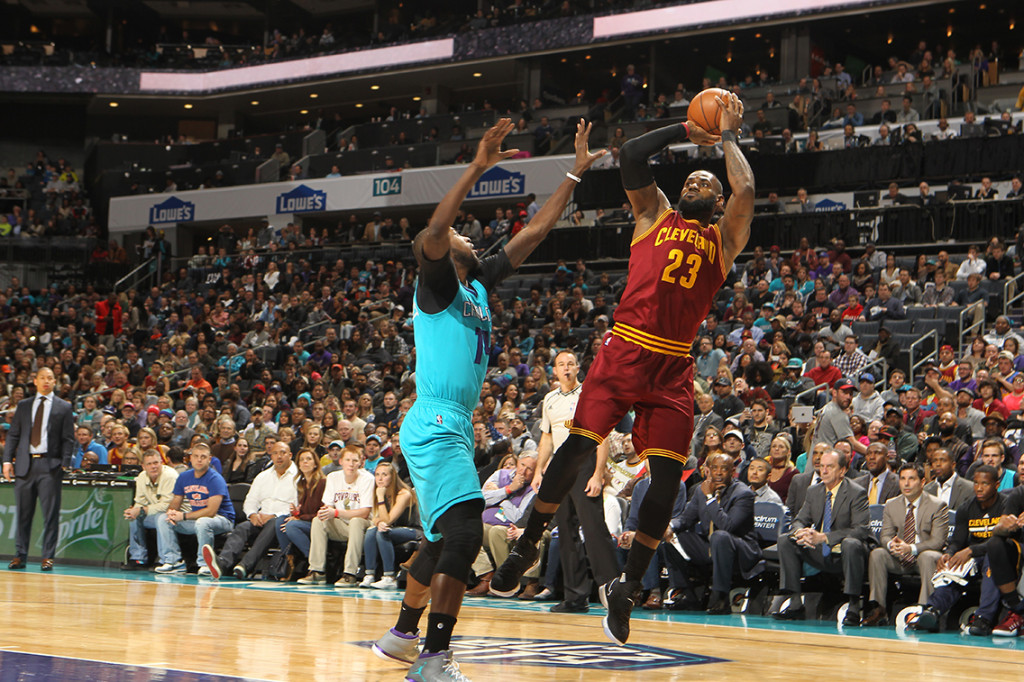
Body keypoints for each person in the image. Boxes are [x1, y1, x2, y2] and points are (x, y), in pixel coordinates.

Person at [490, 94, 751, 647]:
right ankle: (529, 541)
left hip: (673, 366)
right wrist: (687, 128)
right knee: (576, 449)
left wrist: (727, 137)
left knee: (666, 479)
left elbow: (746, 190)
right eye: (690, 180)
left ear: (718, 200)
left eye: (706, 183)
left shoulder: (725, 239)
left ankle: (629, 587)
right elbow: (631, 154)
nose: (695, 184)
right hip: (625, 349)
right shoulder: (654, 214)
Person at [371, 118, 607, 680]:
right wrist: (477, 166)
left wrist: (575, 173)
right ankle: (434, 658)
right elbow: (434, 230)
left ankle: (402, 637)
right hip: (434, 419)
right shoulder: (437, 285)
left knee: (440, 539)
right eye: (459, 235)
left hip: (451, 423)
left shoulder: (477, 283)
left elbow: (535, 233)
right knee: (465, 532)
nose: (466, 235)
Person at [504, 350, 618, 612]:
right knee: (564, 530)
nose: (566, 368)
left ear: (578, 368)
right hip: (559, 465)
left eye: (570, 364)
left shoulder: (589, 394)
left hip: (585, 462)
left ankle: (613, 591)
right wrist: (540, 471)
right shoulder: (550, 399)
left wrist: (598, 474)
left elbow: (602, 436)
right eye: (561, 365)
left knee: (594, 528)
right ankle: (575, 596)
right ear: (554, 371)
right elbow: (546, 438)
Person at [773, 449, 871, 625]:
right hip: (820, 551)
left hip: (845, 553)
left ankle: (854, 607)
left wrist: (824, 537)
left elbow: (861, 530)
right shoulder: (814, 491)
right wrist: (800, 532)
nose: (823, 471)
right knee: (786, 540)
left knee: (851, 543)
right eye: (822, 466)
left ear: (842, 470)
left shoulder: (856, 492)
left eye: (830, 467)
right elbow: (799, 520)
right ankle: (795, 604)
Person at [668, 453, 761, 614]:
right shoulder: (701, 491)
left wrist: (710, 498)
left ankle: (721, 597)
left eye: (723, 469)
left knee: (720, 536)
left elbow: (727, 526)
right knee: (671, 538)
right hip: (710, 545)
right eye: (715, 468)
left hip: (740, 549)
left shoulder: (743, 494)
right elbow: (685, 519)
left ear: (732, 471)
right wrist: (669, 527)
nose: (718, 473)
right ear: (708, 470)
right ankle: (687, 594)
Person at [3, 367, 75, 571]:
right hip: (25, 465)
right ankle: (20, 555)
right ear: (35, 381)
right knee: (23, 514)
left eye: (50, 378)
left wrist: (64, 463)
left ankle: (47, 556)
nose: (46, 381)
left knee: (50, 514)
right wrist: (7, 461)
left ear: (55, 382)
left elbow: (68, 439)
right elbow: (13, 435)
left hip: (49, 465)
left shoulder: (64, 407)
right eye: (42, 378)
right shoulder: (24, 405)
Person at [862, 462, 949, 626]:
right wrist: (891, 545)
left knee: (927, 556)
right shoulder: (891, 504)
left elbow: (938, 541)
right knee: (878, 554)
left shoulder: (937, 505)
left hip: (924, 557)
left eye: (911, 479)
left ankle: (925, 611)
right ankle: (878, 609)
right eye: (902, 479)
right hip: (900, 557)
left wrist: (911, 548)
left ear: (922, 482)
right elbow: (885, 535)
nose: (906, 484)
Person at [203, 441, 297, 579]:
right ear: (271, 456)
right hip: (260, 520)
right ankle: (222, 563)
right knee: (242, 527)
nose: (279, 456)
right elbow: (250, 501)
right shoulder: (263, 476)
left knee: (274, 523)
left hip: (282, 523)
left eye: (283, 453)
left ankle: (245, 565)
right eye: (275, 453)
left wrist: (274, 515)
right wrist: (252, 514)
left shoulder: (298, 477)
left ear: (290, 455)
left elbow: (297, 505)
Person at [297, 445, 373, 587]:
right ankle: (317, 571)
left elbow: (365, 512)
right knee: (318, 520)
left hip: (364, 527)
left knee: (356, 521)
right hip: (342, 525)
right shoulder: (333, 477)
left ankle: (350, 574)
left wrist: (336, 513)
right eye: (348, 460)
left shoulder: (367, 478)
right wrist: (325, 512)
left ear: (361, 462)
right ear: (341, 461)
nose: (351, 464)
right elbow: (328, 506)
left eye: (355, 461)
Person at [154, 442, 235, 573]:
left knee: (203, 522)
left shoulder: (215, 478)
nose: (199, 460)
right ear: (190, 458)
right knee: (163, 519)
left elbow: (211, 511)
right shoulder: (184, 477)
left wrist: (183, 516)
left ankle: (206, 564)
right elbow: (176, 500)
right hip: (197, 520)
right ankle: (173, 561)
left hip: (222, 520)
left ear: (209, 459)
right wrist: (171, 513)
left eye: (203, 457)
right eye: (196, 456)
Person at [361, 461, 418, 589]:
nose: (380, 479)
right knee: (371, 531)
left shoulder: (404, 494)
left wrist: (380, 498)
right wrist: (379, 522)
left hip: (414, 531)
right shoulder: (381, 492)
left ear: (392, 477)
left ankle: (389, 577)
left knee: (382, 532)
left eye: (384, 475)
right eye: (377, 475)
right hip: (394, 528)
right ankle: (369, 574)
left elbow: (388, 520)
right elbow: (375, 518)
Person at [121, 449, 179, 569]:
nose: (153, 467)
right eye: (149, 464)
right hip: (155, 513)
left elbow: (167, 506)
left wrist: (142, 510)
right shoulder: (141, 477)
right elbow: (140, 502)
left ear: (162, 462)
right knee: (134, 517)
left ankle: (164, 559)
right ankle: (138, 558)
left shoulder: (170, 475)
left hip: (175, 514)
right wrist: (133, 511)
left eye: (156, 463)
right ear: (143, 466)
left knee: (160, 518)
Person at [277, 449, 327, 571]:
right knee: (280, 521)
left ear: (315, 464)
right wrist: (296, 512)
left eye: (308, 459)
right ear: (298, 465)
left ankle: (314, 562)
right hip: (306, 521)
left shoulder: (322, 483)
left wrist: (299, 517)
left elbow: (321, 513)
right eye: (302, 460)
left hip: (319, 523)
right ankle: (289, 562)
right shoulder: (301, 484)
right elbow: (305, 511)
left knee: (291, 526)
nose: (305, 462)